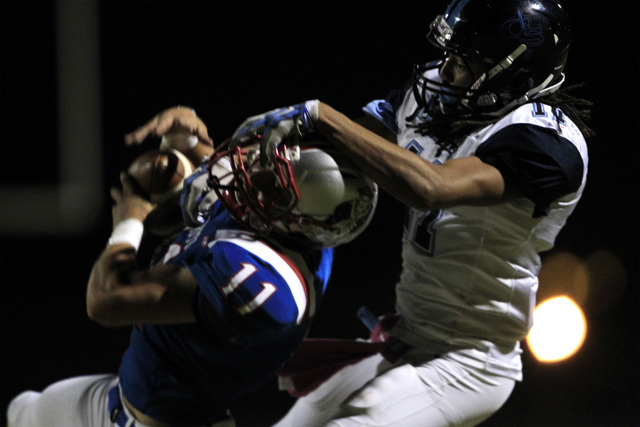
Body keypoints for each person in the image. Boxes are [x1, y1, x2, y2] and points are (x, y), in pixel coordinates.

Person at [225, 0, 594, 425]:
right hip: (406, 335)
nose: (446, 68)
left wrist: (321, 115)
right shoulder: (442, 95)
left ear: (514, 70)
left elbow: (431, 188)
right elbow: (335, 150)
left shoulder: (547, 142)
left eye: (465, 60)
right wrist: (226, 160)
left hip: (469, 361)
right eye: (449, 53)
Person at [6, 107, 378, 427]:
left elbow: (105, 300)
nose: (251, 168)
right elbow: (220, 173)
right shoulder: (285, 216)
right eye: (271, 159)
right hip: (114, 398)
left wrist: (128, 222)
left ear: (298, 224)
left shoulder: (266, 284)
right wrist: (185, 142)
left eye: (270, 181)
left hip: (161, 420)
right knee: (20, 410)